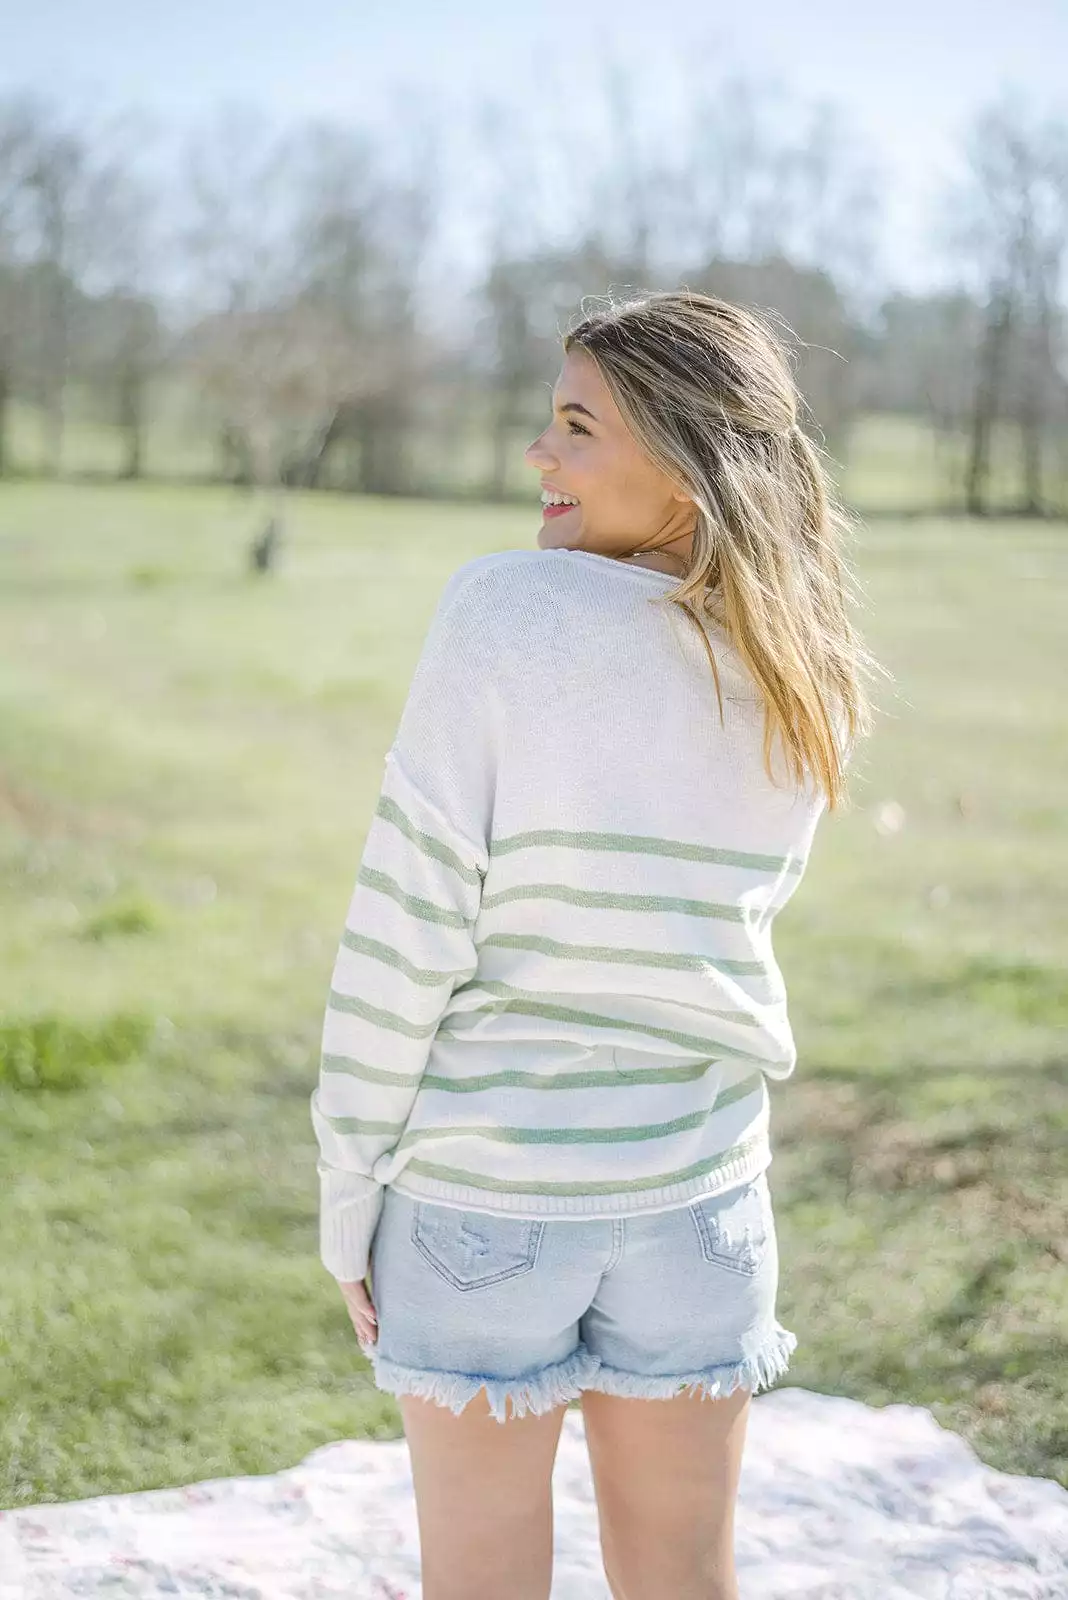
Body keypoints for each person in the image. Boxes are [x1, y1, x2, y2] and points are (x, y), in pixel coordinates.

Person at [309, 289, 876, 1600]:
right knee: (684, 1578)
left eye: (576, 426)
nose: (538, 456)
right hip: (701, 1204)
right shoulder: (798, 664)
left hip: (483, 1203)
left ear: (685, 465)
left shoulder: (505, 614)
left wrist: (350, 1191)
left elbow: (406, 933)